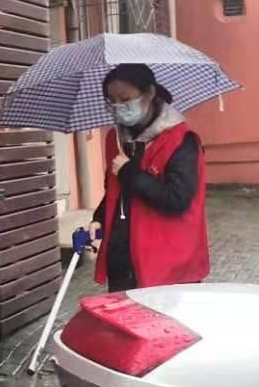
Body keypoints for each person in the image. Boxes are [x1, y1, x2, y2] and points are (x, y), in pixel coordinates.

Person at [89, 64, 210, 292]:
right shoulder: (115, 139)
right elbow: (116, 192)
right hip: (123, 262)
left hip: (168, 266)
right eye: (111, 101)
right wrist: (99, 218)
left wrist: (128, 172)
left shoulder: (181, 140)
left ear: (150, 93)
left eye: (125, 99)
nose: (118, 107)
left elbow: (177, 199)